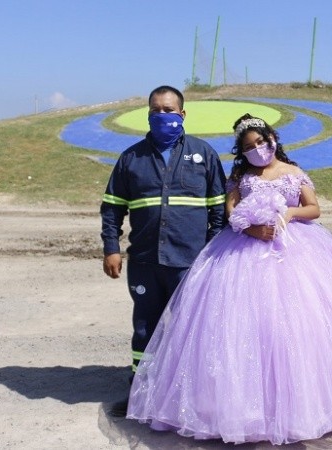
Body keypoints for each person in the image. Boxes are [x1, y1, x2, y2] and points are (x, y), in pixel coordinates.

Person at [126, 114, 332, 445]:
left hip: (296, 249)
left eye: (261, 142)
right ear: (241, 152)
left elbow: (313, 208)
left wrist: (288, 213)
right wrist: (252, 226)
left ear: (273, 138)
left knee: (299, 324)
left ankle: (307, 407)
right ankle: (236, 409)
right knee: (240, 327)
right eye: (248, 147)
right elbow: (231, 211)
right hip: (243, 251)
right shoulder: (242, 175)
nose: (257, 149)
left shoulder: (293, 172)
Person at [100, 85, 227, 417]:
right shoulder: (131, 158)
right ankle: (140, 396)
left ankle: (192, 400)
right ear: (149, 113)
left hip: (191, 262)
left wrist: (213, 252)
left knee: (192, 330)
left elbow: (219, 210)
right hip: (145, 261)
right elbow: (112, 208)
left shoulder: (204, 154)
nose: (163, 115)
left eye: (169, 110)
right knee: (146, 328)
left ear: (182, 114)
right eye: (156, 110)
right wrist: (111, 248)